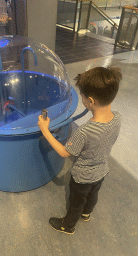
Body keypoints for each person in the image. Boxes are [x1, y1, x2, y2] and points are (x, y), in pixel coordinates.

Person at [38, 66, 122, 235]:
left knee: (76, 202)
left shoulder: (84, 132)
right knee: (92, 196)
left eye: (82, 97)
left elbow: (64, 152)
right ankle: (87, 213)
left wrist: (45, 130)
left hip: (82, 177)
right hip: (101, 171)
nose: (82, 100)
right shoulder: (118, 117)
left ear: (91, 101)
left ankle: (68, 225)